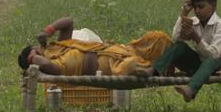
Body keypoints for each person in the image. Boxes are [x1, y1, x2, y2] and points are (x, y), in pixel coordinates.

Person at [151, 0, 221, 102]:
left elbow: (214, 55)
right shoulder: (194, 22)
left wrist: (196, 37)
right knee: (179, 47)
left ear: (213, 6)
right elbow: (175, 38)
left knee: (210, 60)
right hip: (201, 64)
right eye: (195, 7)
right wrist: (184, 12)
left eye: (201, 7)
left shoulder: (220, 25)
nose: (198, 11)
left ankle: (190, 90)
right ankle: (153, 70)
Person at [17, 16, 171, 77]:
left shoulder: (56, 46)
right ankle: (157, 69)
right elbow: (42, 63)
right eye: (35, 54)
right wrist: (33, 58)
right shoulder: (51, 67)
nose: (39, 51)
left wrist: (47, 31)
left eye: (36, 50)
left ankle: (165, 65)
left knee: (158, 38)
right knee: (129, 67)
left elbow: (68, 22)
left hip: (117, 50)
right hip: (112, 66)